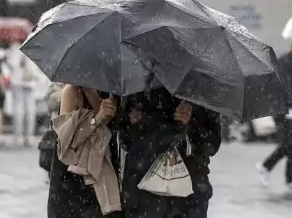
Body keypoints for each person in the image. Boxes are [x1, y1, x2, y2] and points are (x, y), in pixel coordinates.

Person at [120, 87, 221, 218]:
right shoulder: (139, 83)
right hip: (143, 187)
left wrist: (191, 121)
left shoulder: (203, 88)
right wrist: (135, 121)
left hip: (189, 192)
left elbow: (211, 145)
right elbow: (124, 139)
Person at [47, 84, 121, 218]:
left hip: (102, 169)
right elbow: (68, 140)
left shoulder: (111, 91)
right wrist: (97, 118)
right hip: (74, 174)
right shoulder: (73, 91)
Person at [256, 39, 292, 191]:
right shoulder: (285, 63)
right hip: (287, 111)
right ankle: (266, 166)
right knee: (289, 145)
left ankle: (290, 179)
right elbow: (285, 90)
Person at [6, 40, 41, 146]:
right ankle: (29, 136)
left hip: (17, 81)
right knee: (30, 109)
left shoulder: (14, 48)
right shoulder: (34, 44)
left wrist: (7, 58)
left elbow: (12, 64)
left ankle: (19, 135)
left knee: (18, 109)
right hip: (30, 82)